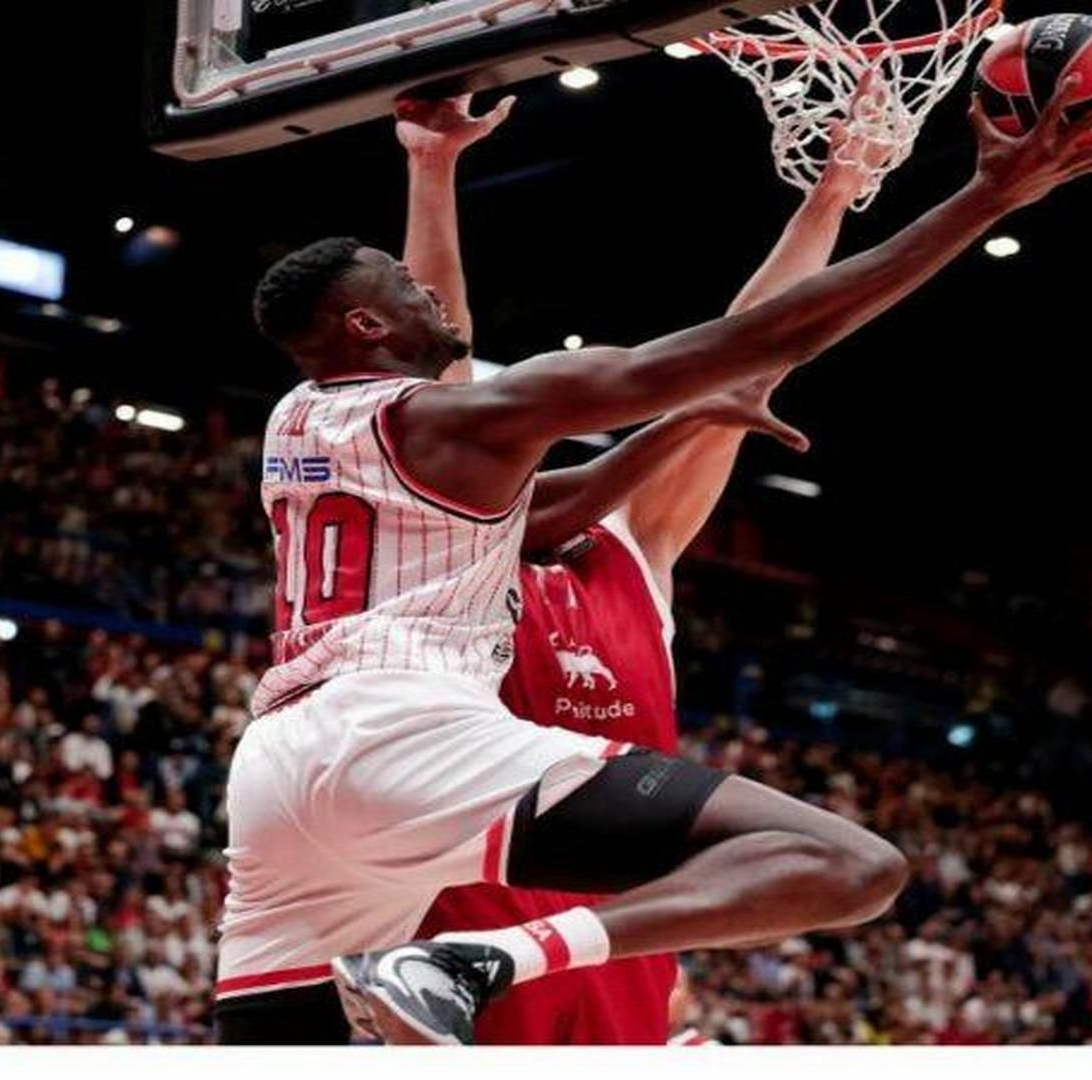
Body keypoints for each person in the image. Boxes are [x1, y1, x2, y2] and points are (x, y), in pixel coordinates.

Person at [217, 76, 1092, 1045]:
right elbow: (763, 336)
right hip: (436, 783)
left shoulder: (308, 424)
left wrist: (687, 415)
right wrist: (987, 196)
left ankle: (466, 964)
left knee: (276, 1043)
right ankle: (474, 962)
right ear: (366, 326)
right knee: (850, 866)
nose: (428, 293)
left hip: (290, 760)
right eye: (405, 290)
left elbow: (561, 486)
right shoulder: (452, 433)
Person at [397, 89, 892, 1044]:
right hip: (469, 902)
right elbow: (435, 363)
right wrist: (431, 168)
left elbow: (754, 350)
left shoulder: (634, 538)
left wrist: (831, 197)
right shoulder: (448, 540)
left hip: (618, 925)